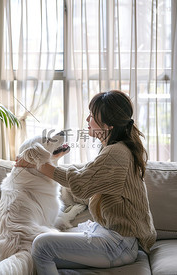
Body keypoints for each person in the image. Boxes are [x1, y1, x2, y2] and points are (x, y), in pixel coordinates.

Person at [16, 90, 157, 275]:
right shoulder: (113, 148)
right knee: (36, 253)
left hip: (119, 243)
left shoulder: (116, 153)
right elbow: (85, 180)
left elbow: (81, 184)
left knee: (41, 246)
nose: (87, 119)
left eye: (92, 115)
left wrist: (39, 164)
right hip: (112, 236)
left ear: (107, 125)